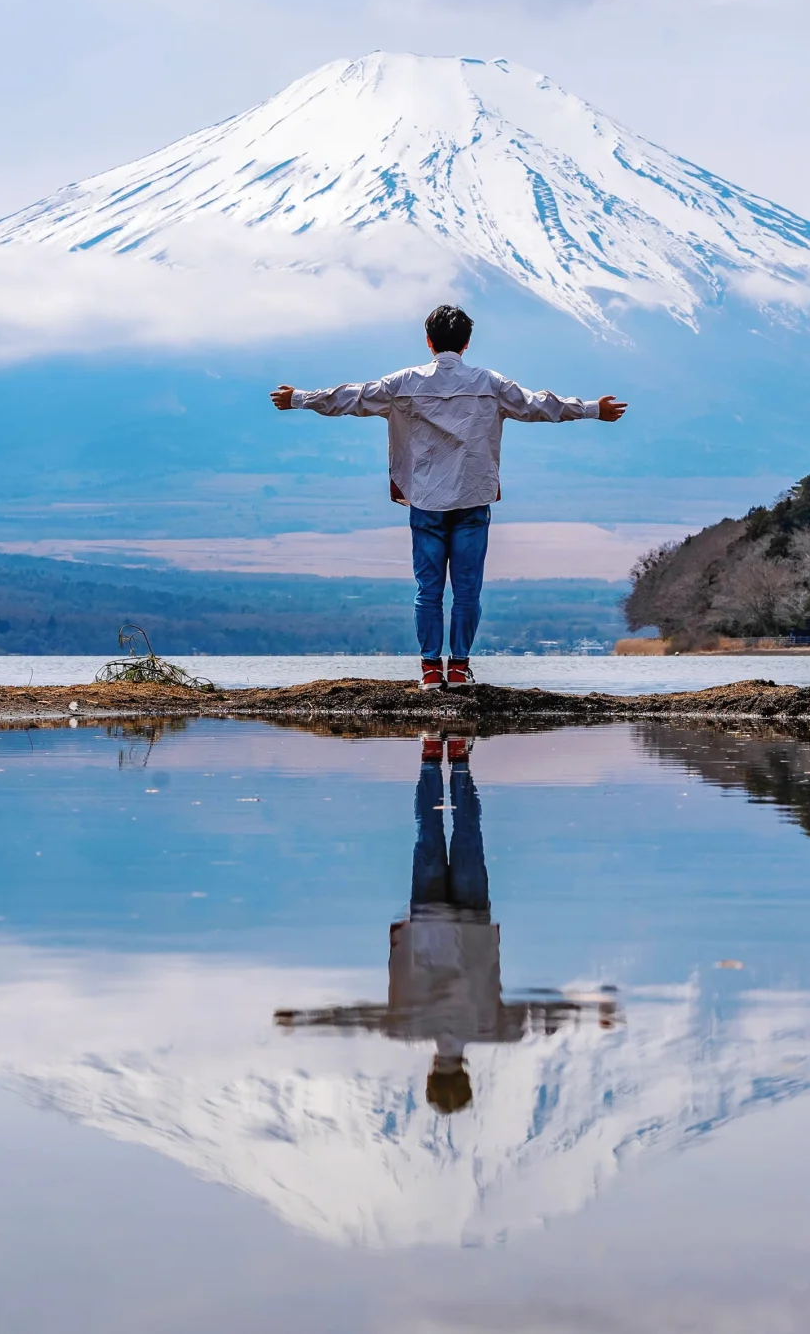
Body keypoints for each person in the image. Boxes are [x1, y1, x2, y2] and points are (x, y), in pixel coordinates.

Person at [270, 304, 627, 690]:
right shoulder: (490, 383)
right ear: (467, 343)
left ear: (429, 341)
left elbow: (350, 397)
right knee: (467, 590)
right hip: (473, 498)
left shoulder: (404, 382)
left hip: (425, 501)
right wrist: (593, 409)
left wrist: (299, 398)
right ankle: (457, 670)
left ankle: (429, 672)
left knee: (428, 591)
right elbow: (539, 404)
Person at [274, 733, 620, 1116]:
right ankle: (429, 759)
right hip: (427, 917)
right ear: (429, 1076)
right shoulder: (407, 1029)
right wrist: (303, 1019)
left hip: (471, 918)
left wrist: (592, 1012)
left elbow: (541, 1016)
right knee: (429, 830)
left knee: (467, 831)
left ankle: (456, 761)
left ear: (465, 1077)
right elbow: (354, 1019)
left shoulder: (492, 1032)